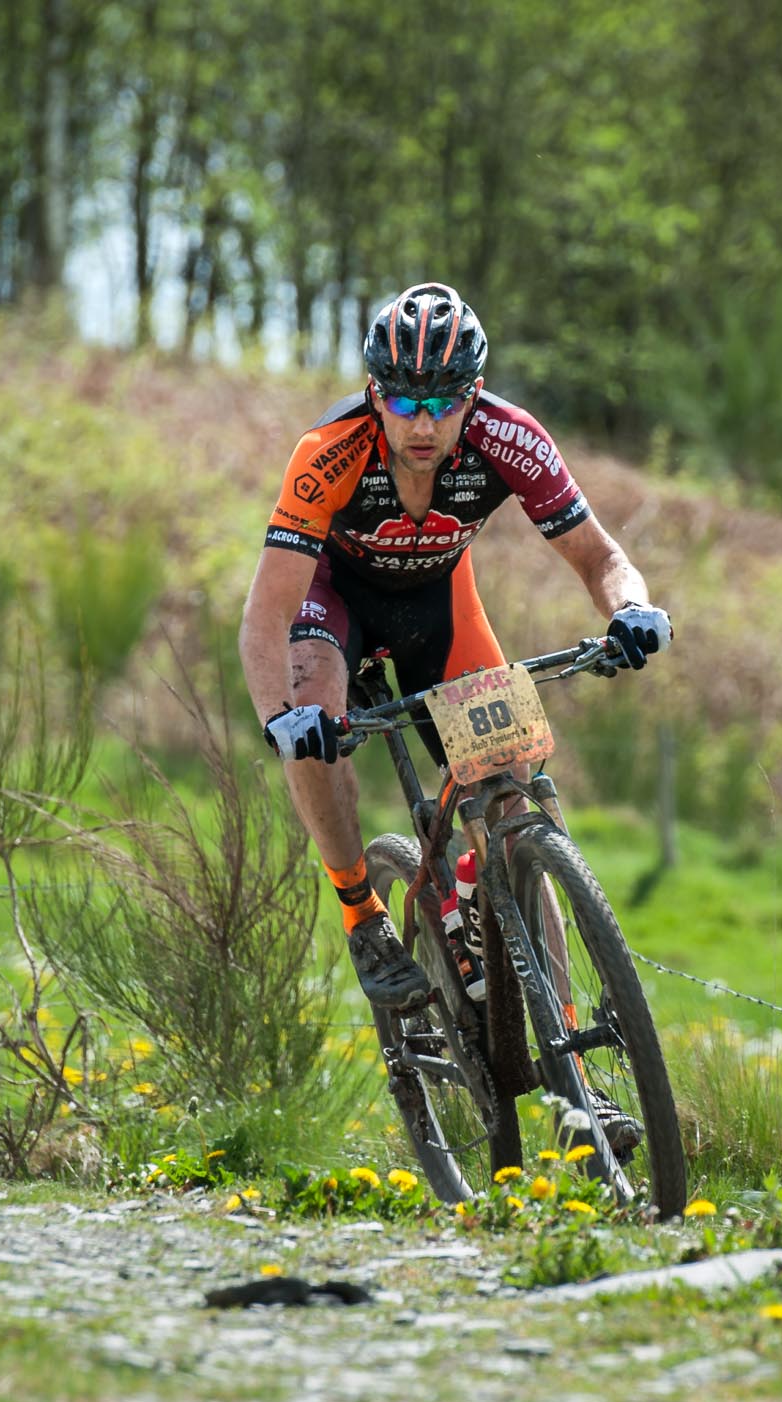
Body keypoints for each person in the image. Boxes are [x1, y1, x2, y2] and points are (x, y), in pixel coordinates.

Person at [238, 282, 671, 1016]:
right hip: (331, 599)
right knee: (312, 726)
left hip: (438, 601)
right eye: (404, 401)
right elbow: (265, 615)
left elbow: (601, 558)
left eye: (444, 403)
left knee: (512, 791)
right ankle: (362, 913)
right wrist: (281, 717)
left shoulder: (510, 437)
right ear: (374, 392)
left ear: (474, 395)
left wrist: (632, 609)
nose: (423, 423)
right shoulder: (327, 454)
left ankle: (564, 1043)